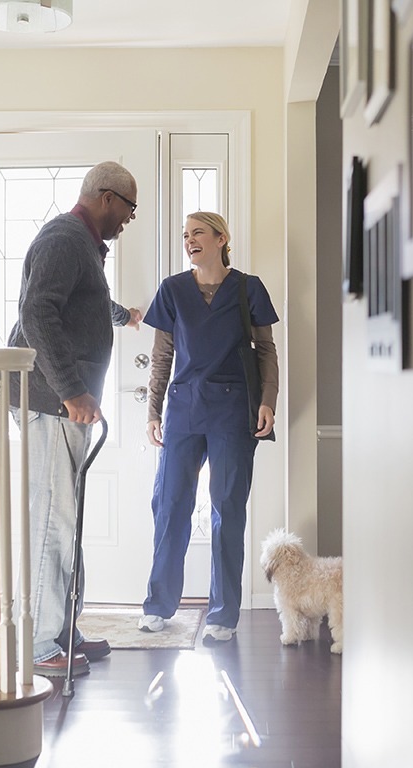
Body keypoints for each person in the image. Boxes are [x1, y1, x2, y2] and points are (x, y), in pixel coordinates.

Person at [7, 161, 143, 677]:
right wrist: (72, 392)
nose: (130, 219)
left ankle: (64, 628)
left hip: (60, 401)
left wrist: (123, 315)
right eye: (129, 208)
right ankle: (43, 645)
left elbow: (82, 304)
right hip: (51, 401)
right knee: (53, 521)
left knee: (69, 519)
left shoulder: (81, 247)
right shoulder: (65, 239)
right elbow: (37, 313)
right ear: (107, 198)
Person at [137, 211, 279, 642]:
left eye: (197, 232)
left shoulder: (247, 287)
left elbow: (266, 351)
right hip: (183, 410)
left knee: (227, 508)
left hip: (234, 412)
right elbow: (162, 356)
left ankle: (223, 615)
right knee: (170, 506)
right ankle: (159, 605)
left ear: (222, 239)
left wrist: (268, 402)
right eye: (185, 235)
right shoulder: (172, 290)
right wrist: (153, 411)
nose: (189, 240)